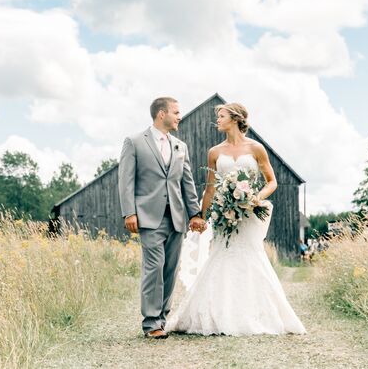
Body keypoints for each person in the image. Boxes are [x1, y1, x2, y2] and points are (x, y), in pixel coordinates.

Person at [166, 102, 306, 336]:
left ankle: (257, 314)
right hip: (223, 214)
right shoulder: (214, 152)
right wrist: (201, 216)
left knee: (251, 257)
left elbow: (272, 181)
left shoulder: (256, 148)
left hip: (249, 214)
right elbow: (210, 189)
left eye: (221, 116)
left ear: (235, 118)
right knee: (221, 256)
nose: (217, 120)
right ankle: (218, 313)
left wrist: (255, 198)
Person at [118, 97, 205, 340]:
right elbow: (125, 180)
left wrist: (195, 213)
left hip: (176, 217)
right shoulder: (134, 142)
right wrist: (129, 212)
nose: (180, 116)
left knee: (170, 270)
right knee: (153, 268)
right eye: (176, 112)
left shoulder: (181, 146)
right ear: (161, 114)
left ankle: (162, 318)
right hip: (148, 217)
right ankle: (151, 322)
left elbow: (186, 183)